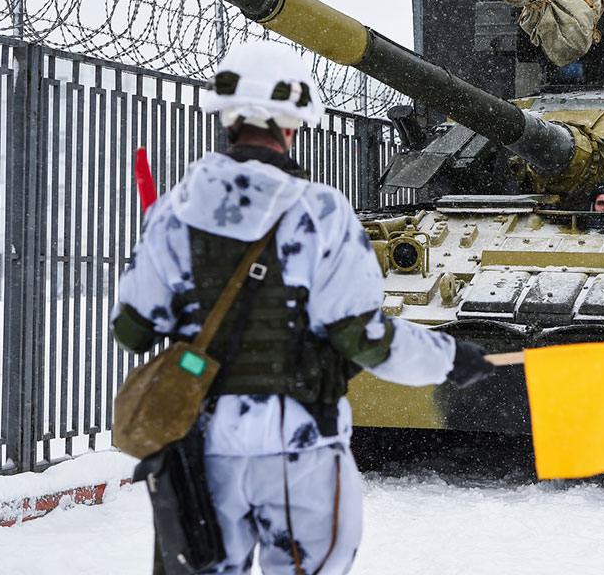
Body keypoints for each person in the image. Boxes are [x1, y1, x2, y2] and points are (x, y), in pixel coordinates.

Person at [112, 39, 494, 575]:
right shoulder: (322, 213)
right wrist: (448, 359)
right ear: (294, 123)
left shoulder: (175, 210)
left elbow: (131, 330)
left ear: (224, 115)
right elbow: (361, 339)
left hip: (204, 446)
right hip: (302, 448)